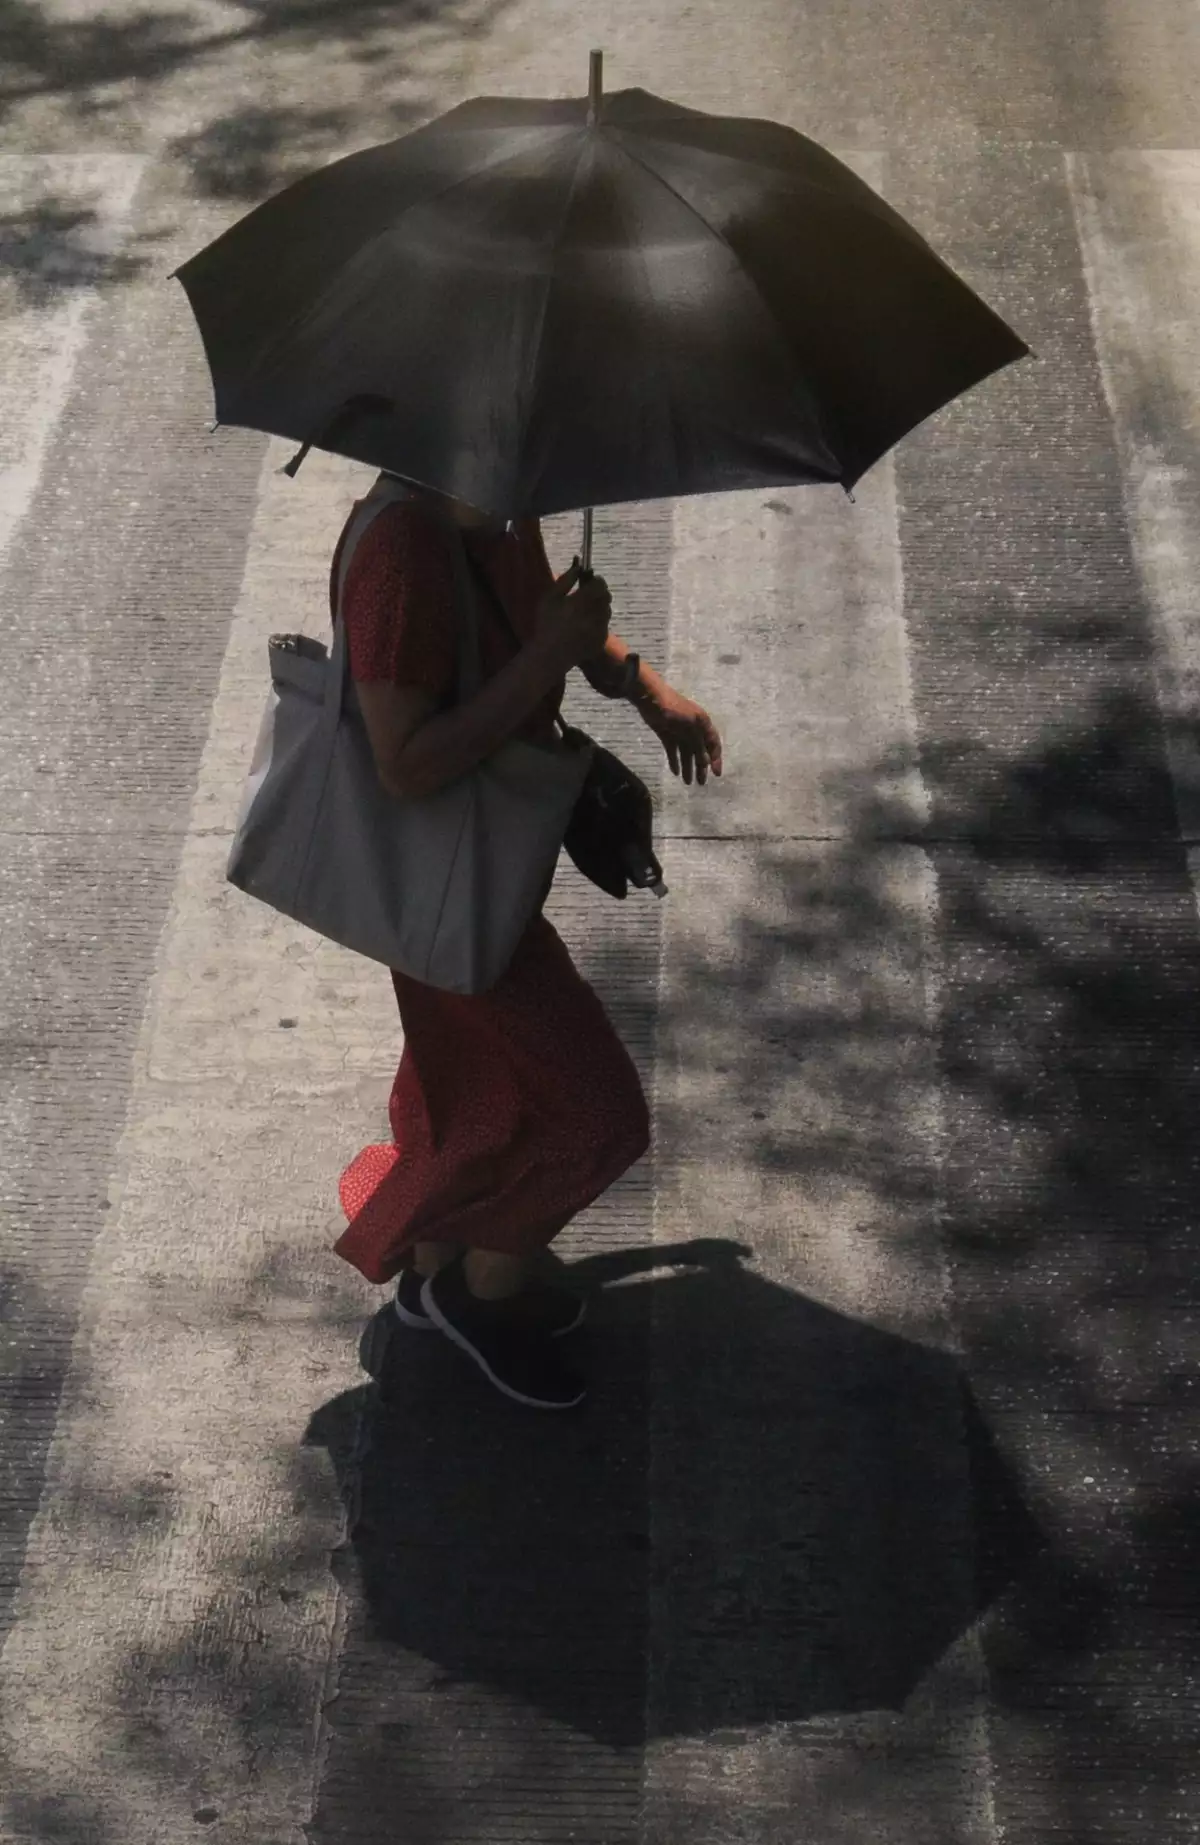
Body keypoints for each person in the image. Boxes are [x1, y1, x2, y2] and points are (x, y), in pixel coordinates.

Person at [332, 472, 723, 1410]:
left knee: (468, 1081)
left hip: (489, 861)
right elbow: (405, 761)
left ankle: (437, 1264)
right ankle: (480, 1296)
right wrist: (543, 653)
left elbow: (549, 628)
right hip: (447, 880)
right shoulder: (404, 556)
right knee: (597, 1113)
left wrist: (642, 686)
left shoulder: (494, 506)